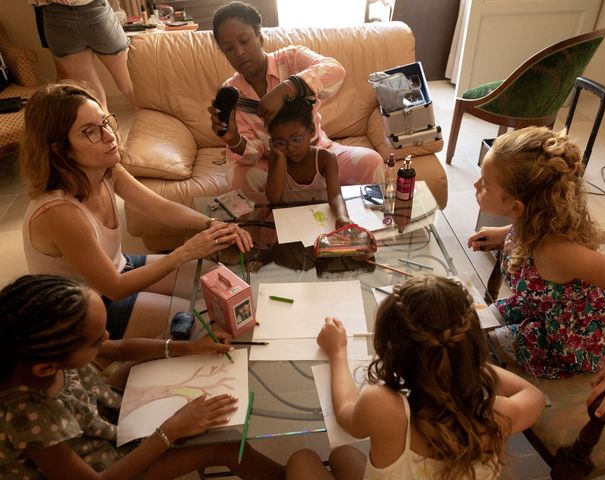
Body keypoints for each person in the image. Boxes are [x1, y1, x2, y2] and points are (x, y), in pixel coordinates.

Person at [20, 83, 253, 341]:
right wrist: (186, 251)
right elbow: (115, 288)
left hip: (120, 268)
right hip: (85, 308)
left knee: (218, 280)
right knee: (200, 321)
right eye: (89, 132)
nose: (109, 136)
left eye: (105, 122)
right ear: (60, 149)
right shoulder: (59, 211)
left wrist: (210, 224)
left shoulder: (105, 168)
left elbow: (159, 207)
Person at [0, 274, 285, 480]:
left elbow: (122, 348)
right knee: (227, 445)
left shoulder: (44, 356)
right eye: (97, 342)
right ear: (46, 368)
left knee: (156, 355)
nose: (107, 339)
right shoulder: (31, 417)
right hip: (108, 466)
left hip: (100, 416)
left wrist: (189, 347)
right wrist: (169, 430)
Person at [286, 275, 546, 480]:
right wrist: (467, 364)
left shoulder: (384, 407)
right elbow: (534, 395)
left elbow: (345, 414)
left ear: (392, 352)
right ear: (473, 346)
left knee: (301, 460)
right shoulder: (496, 414)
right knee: (342, 456)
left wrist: (338, 352)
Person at [468, 126, 605, 422]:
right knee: (472, 323)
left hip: (570, 338)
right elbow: (524, 226)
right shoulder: (534, 220)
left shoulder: (557, 250)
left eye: (485, 183)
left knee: (474, 348)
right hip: (541, 310)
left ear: (516, 206)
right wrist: (505, 234)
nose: (475, 184)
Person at [208, 1, 384, 193]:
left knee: (371, 162)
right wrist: (234, 138)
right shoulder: (232, 93)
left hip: (316, 154)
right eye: (229, 49)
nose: (239, 53)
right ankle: (264, 224)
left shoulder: (293, 58)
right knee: (240, 176)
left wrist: (289, 87)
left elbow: (335, 70)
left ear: (260, 38)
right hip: (271, 163)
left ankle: (366, 222)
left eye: (244, 41)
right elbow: (252, 155)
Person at [28, 0, 136, 110]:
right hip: (95, 13)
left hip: (58, 19)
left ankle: (105, 126)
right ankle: (151, 126)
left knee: (95, 101)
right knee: (133, 88)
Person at [266, 96, 350, 228]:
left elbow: (336, 196)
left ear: (311, 131)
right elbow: (274, 199)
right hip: (290, 223)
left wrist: (342, 216)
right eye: (280, 142)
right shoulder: (276, 159)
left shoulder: (326, 158)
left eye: (296, 139)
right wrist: (281, 160)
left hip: (321, 221)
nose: (290, 148)